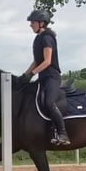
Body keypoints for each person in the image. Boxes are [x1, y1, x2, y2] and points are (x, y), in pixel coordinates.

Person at [17, 9, 70, 146]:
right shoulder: (38, 39)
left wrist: (32, 73)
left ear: (41, 23)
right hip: (43, 78)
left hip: (52, 77)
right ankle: (49, 132)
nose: (30, 25)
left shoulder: (47, 38)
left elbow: (47, 61)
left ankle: (63, 133)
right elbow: (36, 61)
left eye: (33, 22)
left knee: (49, 103)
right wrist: (25, 75)